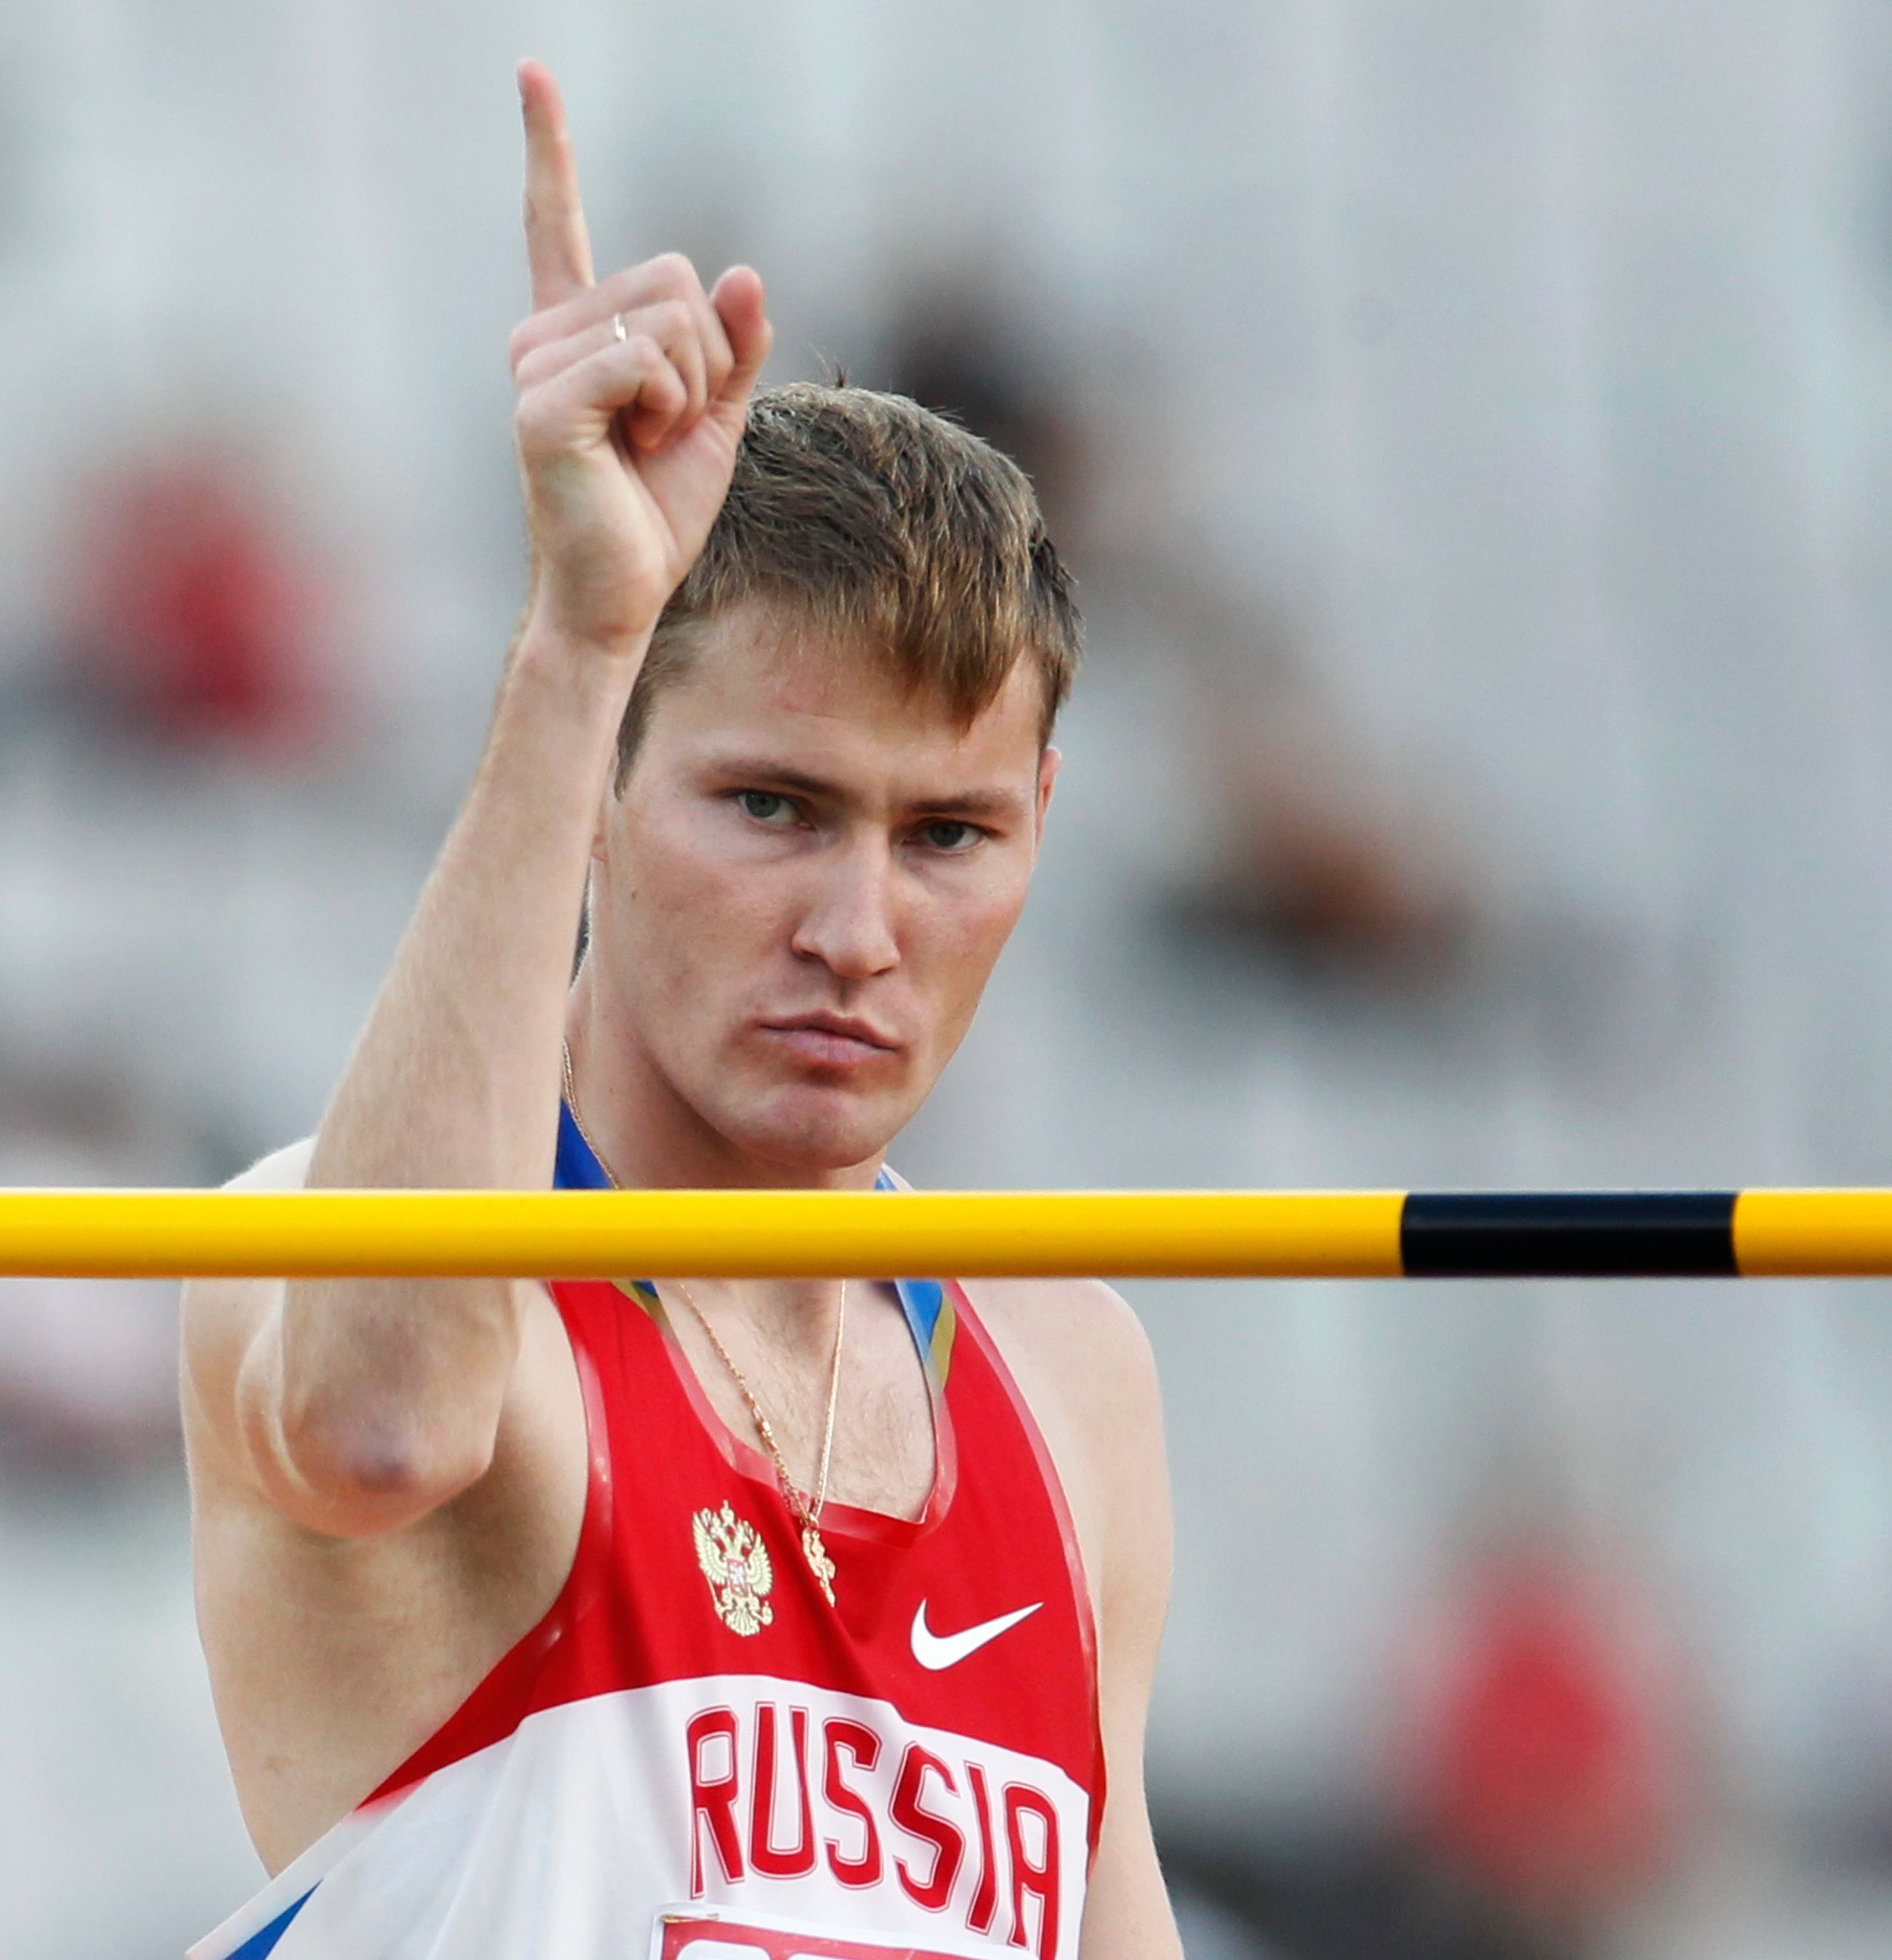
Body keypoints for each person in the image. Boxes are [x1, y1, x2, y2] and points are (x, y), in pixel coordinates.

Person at [177, 61, 1178, 1960]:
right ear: (607, 791)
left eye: (948, 835)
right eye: (773, 808)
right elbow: (381, 1428)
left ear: (1042, 824)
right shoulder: (319, 1254)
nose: (858, 932)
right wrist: (579, 643)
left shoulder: (1070, 1378)